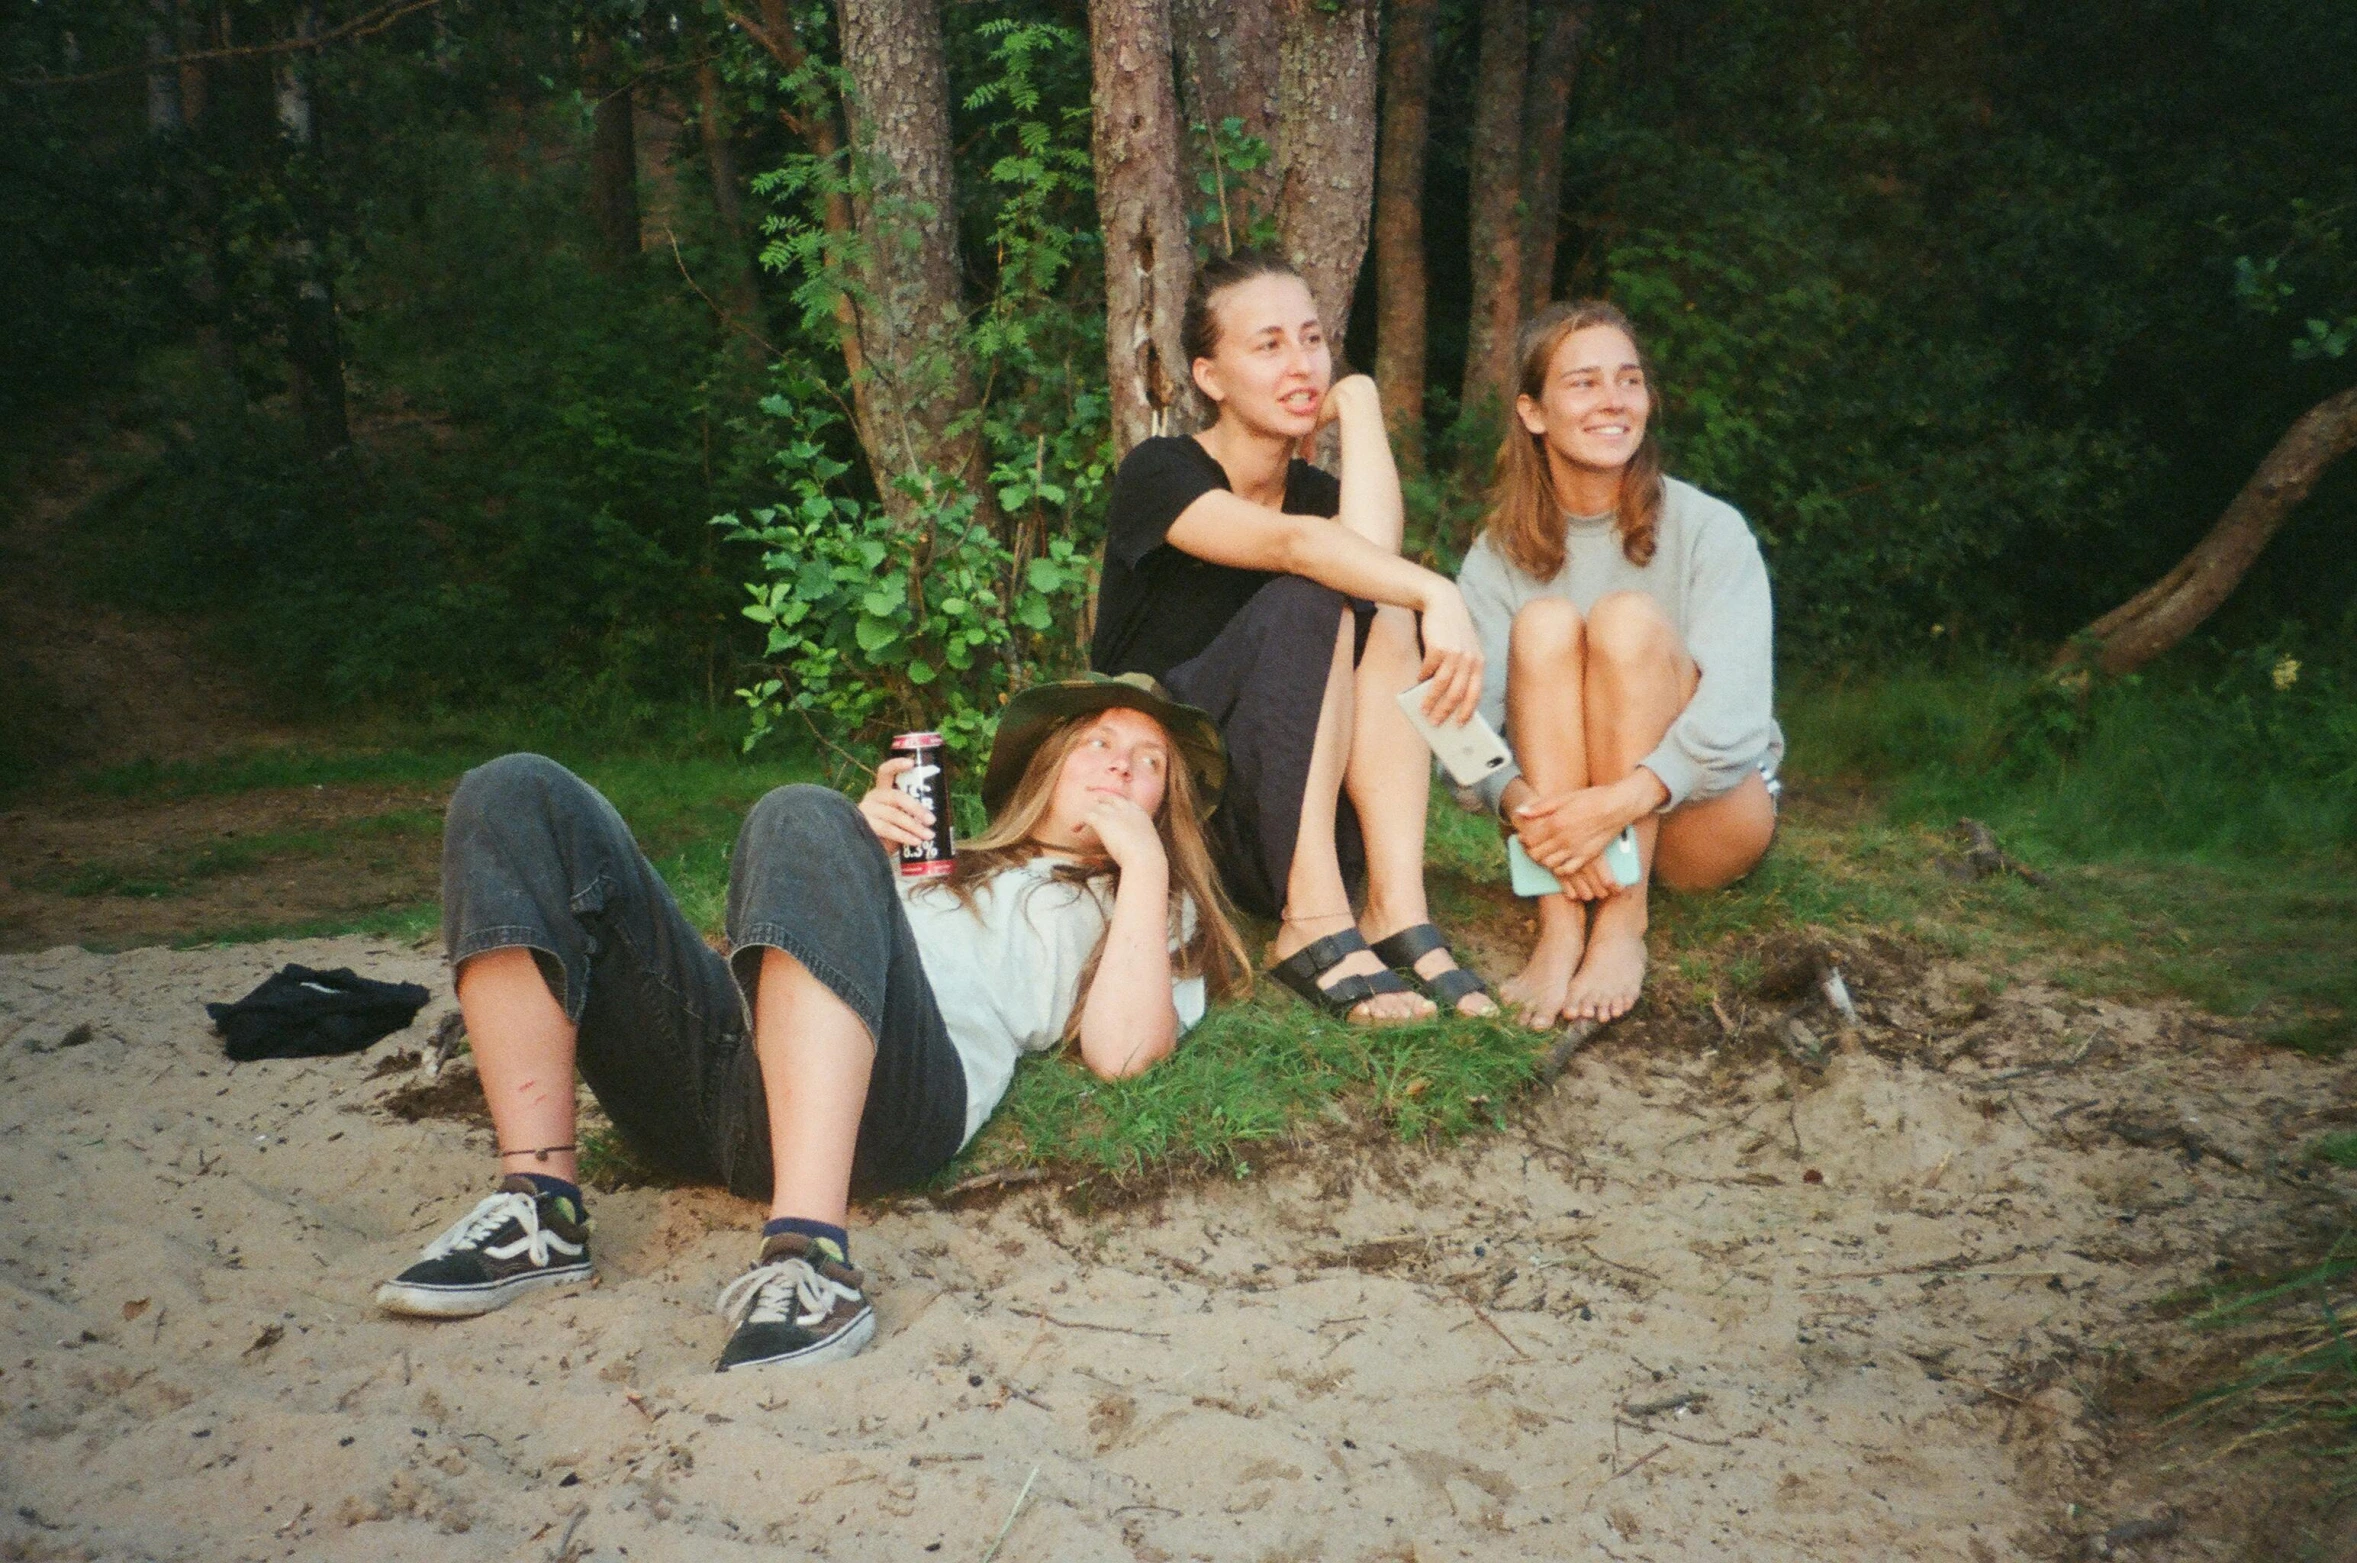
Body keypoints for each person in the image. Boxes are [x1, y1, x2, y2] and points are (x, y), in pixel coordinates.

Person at [375, 674, 1247, 1371]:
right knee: (517, 789)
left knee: (798, 808)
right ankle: (539, 1208)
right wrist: (857, 847)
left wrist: (1140, 864)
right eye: (1098, 740)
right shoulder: (944, 854)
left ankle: (810, 1257)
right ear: (1049, 762)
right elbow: (793, 931)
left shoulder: (1145, 904)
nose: (1120, 766)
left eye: (1149, 761)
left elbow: (1126, 1053)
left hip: (893, 1100)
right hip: (725, 1079)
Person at [1089, 250, 1497, 1023]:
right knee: (1316, 594)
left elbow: (1370, 558)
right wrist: (1437, 587)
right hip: (1186, 821)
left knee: (1385, 605)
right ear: (1210, 377)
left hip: (1301, 816)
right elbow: (1292, 550)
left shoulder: (1315, 497)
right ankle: (1307, 924)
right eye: (1267, 345)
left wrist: (1364, 400)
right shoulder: (1162, 472)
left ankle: (1393, 908)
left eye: (1311, 340)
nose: (1300, 363)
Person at [1458, 301, 1784, 1029]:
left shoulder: (1708, 528)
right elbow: (1461, 725)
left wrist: (1612, 804)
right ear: (1532, 412)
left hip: (1705, 812)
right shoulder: (1495, 554)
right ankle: (1561, 926)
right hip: (1564, 831)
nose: (1613, 400)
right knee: (1542, 625)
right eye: (1582, 383)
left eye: (1628, 380)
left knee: (1626, 618)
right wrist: (1526, 810)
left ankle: (1620, 924)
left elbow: (1735, 713)